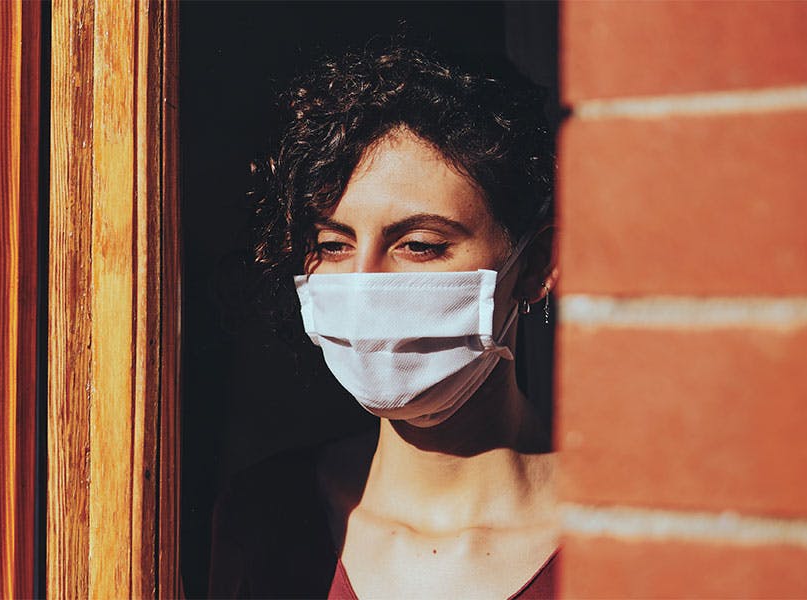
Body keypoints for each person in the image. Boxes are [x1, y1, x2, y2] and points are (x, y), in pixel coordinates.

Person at [208, 45, 558, 599]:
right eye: (333, 243)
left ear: (535, 266)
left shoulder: (636, 530)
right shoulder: (265, 517)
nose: (364, 283)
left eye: (418, 244)